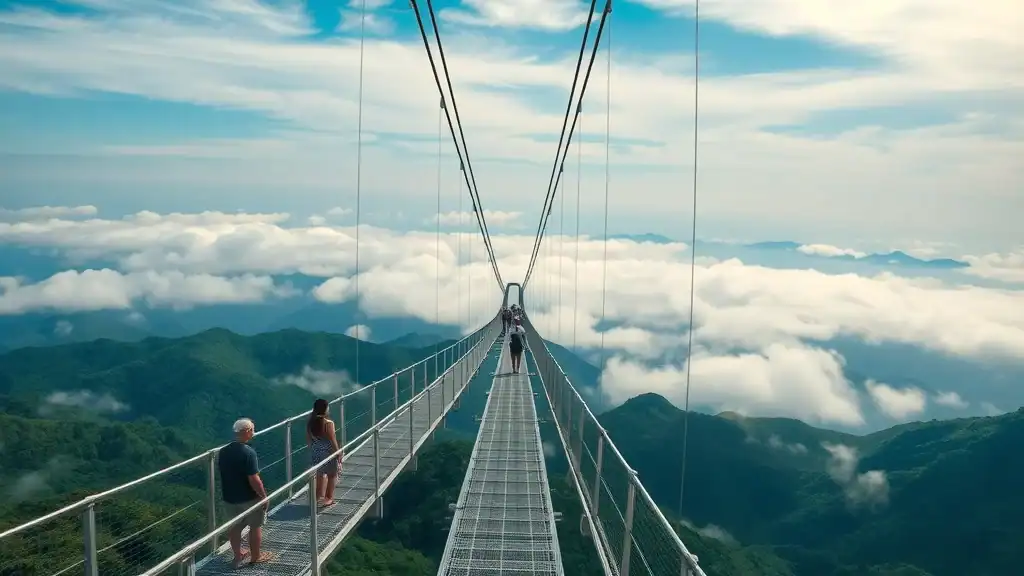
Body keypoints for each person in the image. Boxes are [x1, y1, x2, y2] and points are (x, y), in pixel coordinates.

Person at [218, 418, 275, 568]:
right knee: (255, 526)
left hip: (229, 497)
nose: (253, 433)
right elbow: (253, 478)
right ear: (247, 431)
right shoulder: (248, 453)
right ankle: (256, 556)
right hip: (249, 497)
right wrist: (264, 497)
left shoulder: (223, 452)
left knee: (235, 526)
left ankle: (238, 555)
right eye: (252, 430)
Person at [307, 398, 342, 507]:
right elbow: (333, 440)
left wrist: (313, 450)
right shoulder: (328, 423)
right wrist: (339, 453)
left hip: (315, 451)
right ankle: (328, 498)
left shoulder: (310, 422)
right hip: (328, 453)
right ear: (325, 409)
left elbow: (309, 440)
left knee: (320, 474)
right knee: (332, 475)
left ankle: (317, 497)